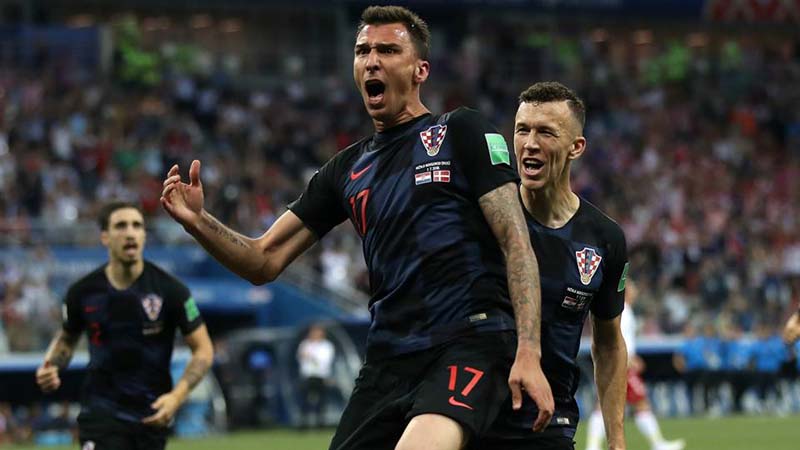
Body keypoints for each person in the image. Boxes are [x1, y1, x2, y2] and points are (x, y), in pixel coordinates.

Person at [161, 5, 553, 450]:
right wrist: (199, 223)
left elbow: (516, 242)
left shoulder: (461, 131)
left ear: (420, 70)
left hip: (468, 342)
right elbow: (263, 260)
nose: (372, 61)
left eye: (388, 50)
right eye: (363, 50)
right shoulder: (346, 170)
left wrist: (528, 350)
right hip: (388, 359)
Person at [466, 82, 628, 450]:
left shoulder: (604, 239)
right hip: (471, 417)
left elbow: (609, 344)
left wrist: (617, 441)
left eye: (546, 132)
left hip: (548, 422)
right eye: (522, 130)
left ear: (576, 147)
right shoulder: (482, 217)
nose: (530, 143)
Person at [35, 201, 214, 450]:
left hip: (151, 416)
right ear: (105, 237)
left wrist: (176, 397)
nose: (130, 233)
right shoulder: (82, 292)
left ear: (144, 235)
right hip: (100, 413)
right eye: (121, 226)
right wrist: (52, 364)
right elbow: (67, 338)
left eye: (137, 226)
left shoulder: (172, 290)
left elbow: (204, 349)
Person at [586, 279, 685, 450]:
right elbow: (617, 337)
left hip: (622, 362)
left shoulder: (624, 309)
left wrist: (632, 356)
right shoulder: (622, 310)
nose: (635, 291)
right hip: (622, 364)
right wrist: (629, 359)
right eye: (632, 288)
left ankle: (593, 446)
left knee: (605, 403)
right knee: (638, 403)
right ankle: (658, 444)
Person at [297, 324, 336, 429]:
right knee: (304, 400)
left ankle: (320, 423)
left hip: (321, 376)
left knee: (321, 400)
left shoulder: (327, 346)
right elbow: (300, 358)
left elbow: (324, 362)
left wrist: (311, 357)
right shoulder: (305, 344)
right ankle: (303, 423)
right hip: (307, 376)